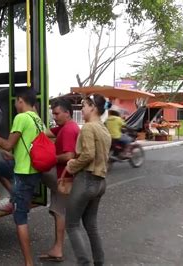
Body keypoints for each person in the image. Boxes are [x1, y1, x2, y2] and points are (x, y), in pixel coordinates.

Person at [0, 90, 45, 266]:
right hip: (33, 171)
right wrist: (13, 155)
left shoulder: (21, 118)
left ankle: (28, 263)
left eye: (16, 102)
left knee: (20, 218)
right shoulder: (38, 120)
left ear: (21, 101)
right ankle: (13, 197)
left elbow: (8, 143)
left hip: (22, 174)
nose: (15, 105)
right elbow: (30, 145)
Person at [64, 94, 111, 266]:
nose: (81, 109)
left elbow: (88, 154)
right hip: (100, 182)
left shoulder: (89, 127)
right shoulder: (104, 128)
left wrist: (72, 165)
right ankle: (99, 261)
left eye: (84, 105)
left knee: (71, 224)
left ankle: (84, 263)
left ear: (92, 107)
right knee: (91, 225)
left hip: (85, 180)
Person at [40, 98, 79, 262]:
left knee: (59, 212)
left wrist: (51, 159)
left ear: (67, 113)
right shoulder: (64, 127)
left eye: (56, 113)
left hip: (64, 177)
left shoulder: (69, 130)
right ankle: (57, 247)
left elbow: (69, 155)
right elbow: (46, 132)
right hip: (64, 177)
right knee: (58, 211)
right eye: (53, 113)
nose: (54, 116)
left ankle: (58, 248)